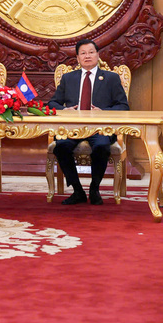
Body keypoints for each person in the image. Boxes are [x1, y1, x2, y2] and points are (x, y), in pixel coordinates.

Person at [48, 39, 129, 205]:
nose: (87, 56)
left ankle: (94, 188)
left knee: (102, 146)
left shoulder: (111, 78)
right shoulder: (68, 78)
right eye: (83, 53)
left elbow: (123, 106)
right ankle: (78, 191)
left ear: (98, 55)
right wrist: (65, 110)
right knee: (61, 146)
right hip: (72, 128)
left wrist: (103, 112)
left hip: (100, 128)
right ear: (77, 58)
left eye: (91, 52)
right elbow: (52, 103)